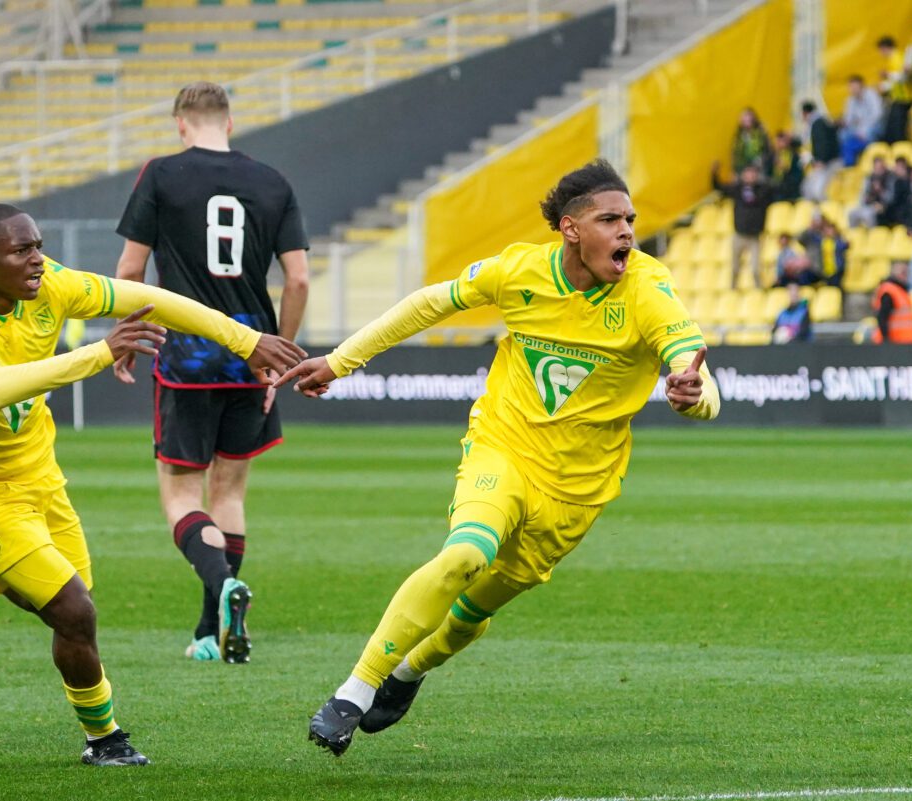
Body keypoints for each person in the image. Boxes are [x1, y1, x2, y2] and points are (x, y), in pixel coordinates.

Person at [275, 160, 720, 757]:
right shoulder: (519, 270)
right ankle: (353, 692)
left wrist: (695, 399)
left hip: (577, 491)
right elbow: (428, 304)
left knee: (471, 611)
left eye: (630, 220)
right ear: (569, 229)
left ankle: (409, 673)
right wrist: (340, 360)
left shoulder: (647, 287)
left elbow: (694, 369)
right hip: (504, 447)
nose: (626, 232)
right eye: (609, 219)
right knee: (464, 556)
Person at [0, 203, 306, 765]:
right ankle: (105, 739)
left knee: (58, 605)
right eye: (21, 250)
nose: (37, 259)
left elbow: (155, 300)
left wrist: (243, 340)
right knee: (74, 612)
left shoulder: (54, 284)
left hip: (36, 468)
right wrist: (101, 352)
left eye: (38, 245)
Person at [113, 81, 310, 664]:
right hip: (254, 354)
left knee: (180, 495)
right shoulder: (273, 182)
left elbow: (130, 267)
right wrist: (281, 358)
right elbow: (297, 280)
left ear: (180, 124)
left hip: (188, 355)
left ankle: (221, 590)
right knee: (229, 492)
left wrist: (127, 337)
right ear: (229, 122)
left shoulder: (161, 174)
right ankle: (210, 631)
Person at [711, 160, 775, 288]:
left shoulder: (763, 190)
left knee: (756, 268)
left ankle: (759, 290)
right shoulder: (737, 189)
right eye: (748, 173)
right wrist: (714, 174)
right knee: (735, 268)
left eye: (753, 173)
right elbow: (720, 187)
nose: (750, 176)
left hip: (754, 236)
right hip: (739, 235)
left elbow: (776, 187)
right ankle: (732, 291)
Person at [839, 75, 885, 167]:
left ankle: (869, 156)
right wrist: (843, 123)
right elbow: (848, 120)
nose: (853, 90)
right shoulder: (850, 100)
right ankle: (849, 164)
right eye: (851, 87)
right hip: (858, 129)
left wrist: (862, 128)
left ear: (861, 86)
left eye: (855, 87)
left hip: (873, 127)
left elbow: (877, 115)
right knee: (842, 134)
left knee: (869, 132)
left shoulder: (871, 95)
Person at [800, 101, 840, 202]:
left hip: (827, 163)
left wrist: (821, 160)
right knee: (808, 188)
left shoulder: (818, 124)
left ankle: (822, 212)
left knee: (818, 190)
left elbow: (822, 143)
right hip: (826, 161)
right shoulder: (821, 121)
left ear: (804, 113)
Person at [872, 260, 912, 344]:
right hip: (894, 344)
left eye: (906, 272)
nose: (905, 275)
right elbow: (882, 317)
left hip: (904, 344)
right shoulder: (889, 291)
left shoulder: (901, 291)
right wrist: (886, 341)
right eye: (902, 272)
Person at [878, 36, 912, 144]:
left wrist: (887, 75)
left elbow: (903, 77)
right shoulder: (892, 59)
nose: (881, 53)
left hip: (904, 97)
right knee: (893, 126)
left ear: (885, 48)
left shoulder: (896, 58)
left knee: (899, 128)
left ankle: (901, 148)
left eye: (881, 50)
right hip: (897, 98)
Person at [730, 107, 772, 177]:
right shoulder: (738, 136)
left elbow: (768, 149)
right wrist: (734, 170)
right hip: (741, 170)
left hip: (758, 169)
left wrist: (762, 162)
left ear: (753, 119)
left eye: (749, 117)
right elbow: (734, 153)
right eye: (744, 117)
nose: (746, 119)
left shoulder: (760, 133)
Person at [771, 130, 804, 202]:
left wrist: (786, 170)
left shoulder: (794, 156)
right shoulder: (771, 156)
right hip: (776, 191)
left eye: (783, 141)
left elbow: (798, 175)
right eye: (778, 141)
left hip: (790, 191)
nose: (780, 144)